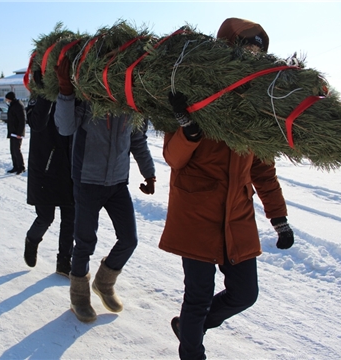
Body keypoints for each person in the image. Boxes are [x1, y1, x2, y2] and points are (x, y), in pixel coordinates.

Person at [159, 18, 294, 360]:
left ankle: (193, 326)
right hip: (196, 214)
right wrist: (188, 133)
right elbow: (173, 159)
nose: (252, 55)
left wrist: (279, 217)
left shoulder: (254, 105)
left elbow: (262, 167)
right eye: (246, 48)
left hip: (236, 214)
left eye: (258, 51)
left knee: (245, 293)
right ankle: (192, 350)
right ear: (228, 48)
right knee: (199, 296)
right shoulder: (197, 92)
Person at [54, 58, 156, 323]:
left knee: (129, 240)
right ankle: (79, 296)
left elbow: (137, 140)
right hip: (87, 181)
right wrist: (65, 91)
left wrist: (149, 173)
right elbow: (64, 128)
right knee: (85, 242)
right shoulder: (89, 100)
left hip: (117, 183)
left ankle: (104, 282)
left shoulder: (130, 106)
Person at [23, 69, 75, 277]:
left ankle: (64, 261)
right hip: (44, 167)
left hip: (69, 167)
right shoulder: (37, 98)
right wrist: (44, 92)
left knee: (70, 218)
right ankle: (32, 240)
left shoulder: (72, 94)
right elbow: (37, 123)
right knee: (46, 217)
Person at [4, 91, 26, 174]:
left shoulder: (18, 106)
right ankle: (15, 166)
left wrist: (19, 133)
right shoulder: (12, 105)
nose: (6, 100)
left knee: (17, 150)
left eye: (7, 98)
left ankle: (21, 167)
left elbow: (22, 120)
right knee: (12, 150)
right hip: (12, 132)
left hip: (17, 133)